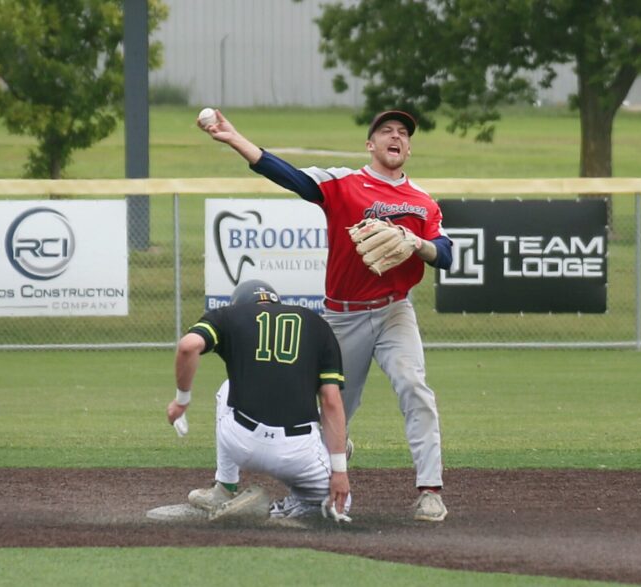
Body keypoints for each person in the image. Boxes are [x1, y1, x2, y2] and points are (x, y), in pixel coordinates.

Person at [198, 109, 453, 522]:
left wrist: (414, 242)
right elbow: (285, 173)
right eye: (386, 130)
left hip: (394, 311)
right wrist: (234, 139)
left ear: (408, 146)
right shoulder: (342, 184)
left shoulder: (422, 203)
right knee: (329, 410)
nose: (396, 136)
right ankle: (311, 489)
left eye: (403, 133)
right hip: (343, 317)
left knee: (415, 387)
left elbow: (446, 254)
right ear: (370, 145)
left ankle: (429, 490)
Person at [167, 279, 351, 523]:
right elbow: (331, 401)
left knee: (228, 388)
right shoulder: (316, 324)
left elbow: (188, 346)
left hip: (240, 442)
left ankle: (224, 489)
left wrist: (181, 401)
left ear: (239, 303)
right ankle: (293, 512)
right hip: (297, 453)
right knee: (338, 506)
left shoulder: (228, 315)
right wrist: (339, 470)